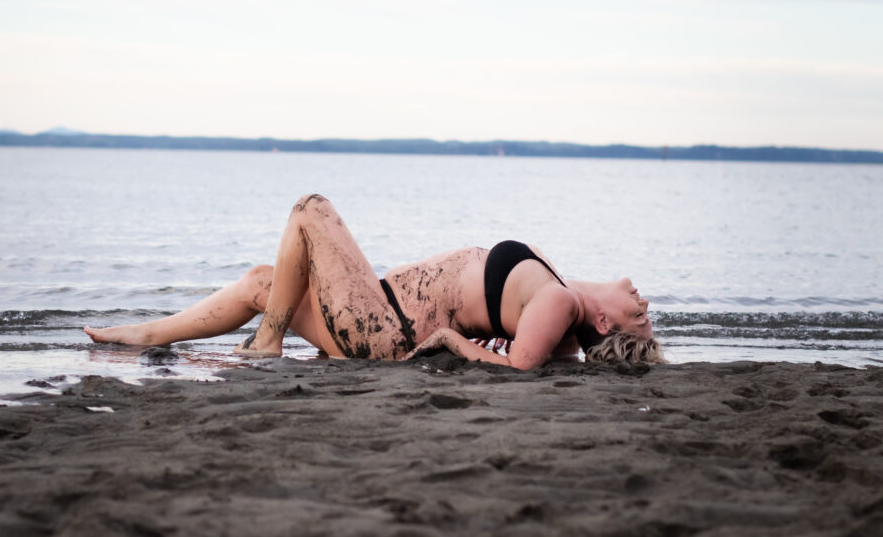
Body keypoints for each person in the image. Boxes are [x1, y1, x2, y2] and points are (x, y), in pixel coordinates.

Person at [85, 194, 664, 369]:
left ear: (606, 323)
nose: (641, 298)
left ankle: (266, 343)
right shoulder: (558, 293)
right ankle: (146, 336)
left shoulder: (561, 303)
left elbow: (524, 369)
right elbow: (543, 353)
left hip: (386, 329)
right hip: (380, 318)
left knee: (310, 210)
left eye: (638, 313)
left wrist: (454, 343)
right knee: (266, 282)